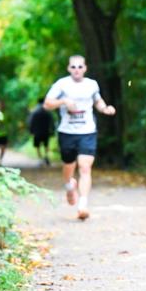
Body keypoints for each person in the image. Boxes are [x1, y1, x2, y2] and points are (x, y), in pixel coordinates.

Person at [43, 55, 116, 220]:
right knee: (69, 165)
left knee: (85, 167)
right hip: (67, 132)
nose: (77, 70)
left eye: (80, 67)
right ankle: (69, 186)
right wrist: (63, 102)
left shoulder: (92, 85)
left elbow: (98, 101)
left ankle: (82, 205)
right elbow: (47, 104)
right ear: (69, 69)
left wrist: (105, 109)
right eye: (73, 67)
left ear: (85, 68)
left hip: (87, 131)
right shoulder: (61, 84)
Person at [27, 97, 55, 166]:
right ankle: (46, 156)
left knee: (37, 146)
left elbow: (30, 122)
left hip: (37, 132)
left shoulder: (34, 111)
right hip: (46, 131)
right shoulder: (47, 111)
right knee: (46, 145)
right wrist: (52, 130)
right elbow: (52, 122)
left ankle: (40, 159)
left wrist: (31, 131)